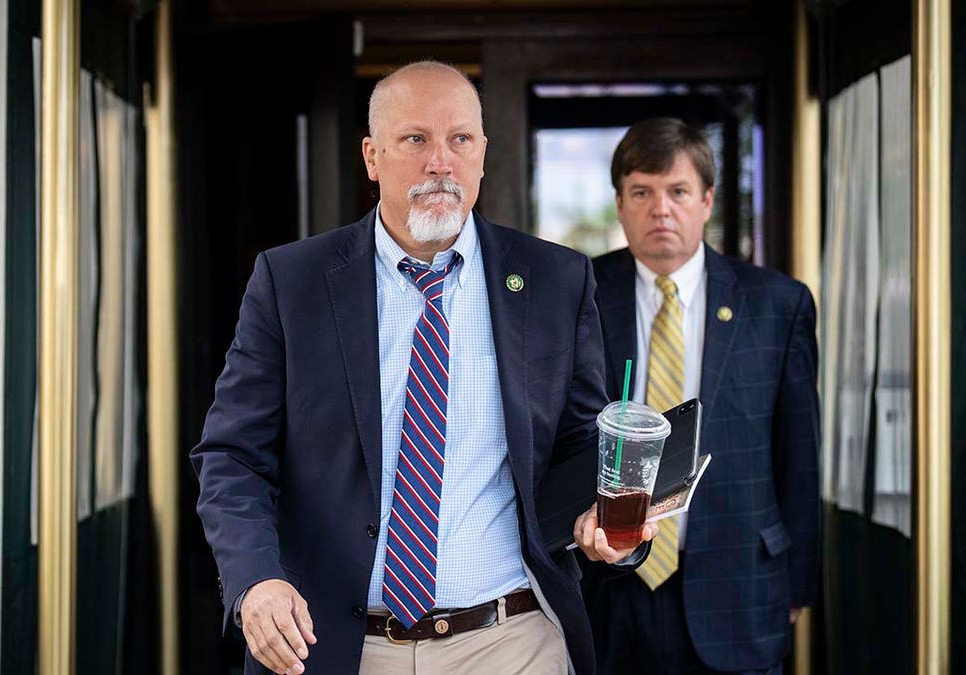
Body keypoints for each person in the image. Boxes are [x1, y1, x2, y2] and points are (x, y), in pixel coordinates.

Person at [191, 61, 647, 675]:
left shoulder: (555, 280)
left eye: (460, 139)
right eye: (415, 139)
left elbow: (578, 445)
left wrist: (607, 518)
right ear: (372, 155)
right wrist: (256, 580)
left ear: (483, 153)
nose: (441, 161)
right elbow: (232, 456)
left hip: (510, 641)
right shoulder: (291, 281)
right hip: (335, 648)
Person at [583, 117, 820, 674]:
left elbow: (799, 454)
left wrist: (798, 586)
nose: (660, 209)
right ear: (620, 203)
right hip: (609, 586)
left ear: (708, 201)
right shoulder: (580, 295)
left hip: (740, 583)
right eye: (642, 192)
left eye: (678, 192)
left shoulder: (777, 305)